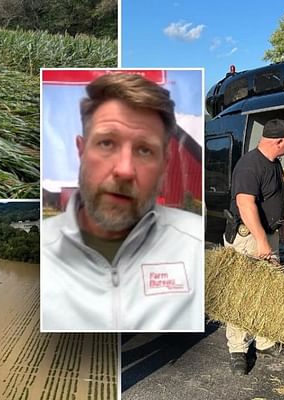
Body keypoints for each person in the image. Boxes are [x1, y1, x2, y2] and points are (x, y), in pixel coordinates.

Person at [40, 73, 203, 331]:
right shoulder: (41, 250)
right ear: (81, 150)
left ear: (164, 163)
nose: (125, 170)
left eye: (144, 150)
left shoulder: (193, 243)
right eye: (107, 143)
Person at [223, 118, 284, 375]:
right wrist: (262, 240)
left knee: (267, 292)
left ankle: (265, 342)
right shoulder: (250, 165)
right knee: (242, 293)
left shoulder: (275, 164)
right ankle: (238, 349)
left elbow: (279, 195)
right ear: (278, 141)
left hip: (268, 235)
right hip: (249, 238)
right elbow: (245, 204)